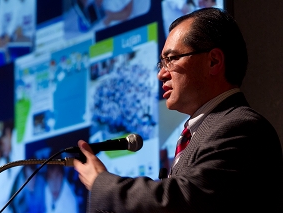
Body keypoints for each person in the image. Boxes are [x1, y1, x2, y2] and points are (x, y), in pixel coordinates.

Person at [73, 7, 283, 213]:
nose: (161, 74)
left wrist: (103, 183)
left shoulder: (241, 126)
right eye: (161, 63)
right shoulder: (200, 131)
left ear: (214, 61)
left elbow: (183, 200)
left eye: (171, 59)